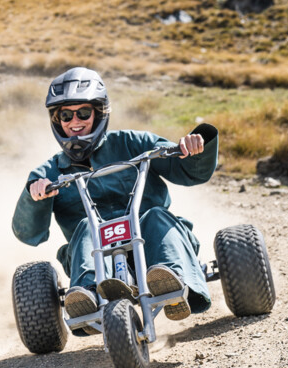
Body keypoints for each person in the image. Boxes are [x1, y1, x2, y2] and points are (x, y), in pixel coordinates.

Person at [12, 67, 218, 327]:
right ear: (57, 120)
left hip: (154, 242)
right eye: (66, 114)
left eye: (83, 112)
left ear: (99, 113)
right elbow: (29, 233)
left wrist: (194, 147)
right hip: (94, 256)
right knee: (88, 226)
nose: (75, 121)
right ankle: (86, 293)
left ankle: (171, 278)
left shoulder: (134, 143)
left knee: (155, 215)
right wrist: (35, 196)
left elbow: (190, 173)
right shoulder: (48, 172)